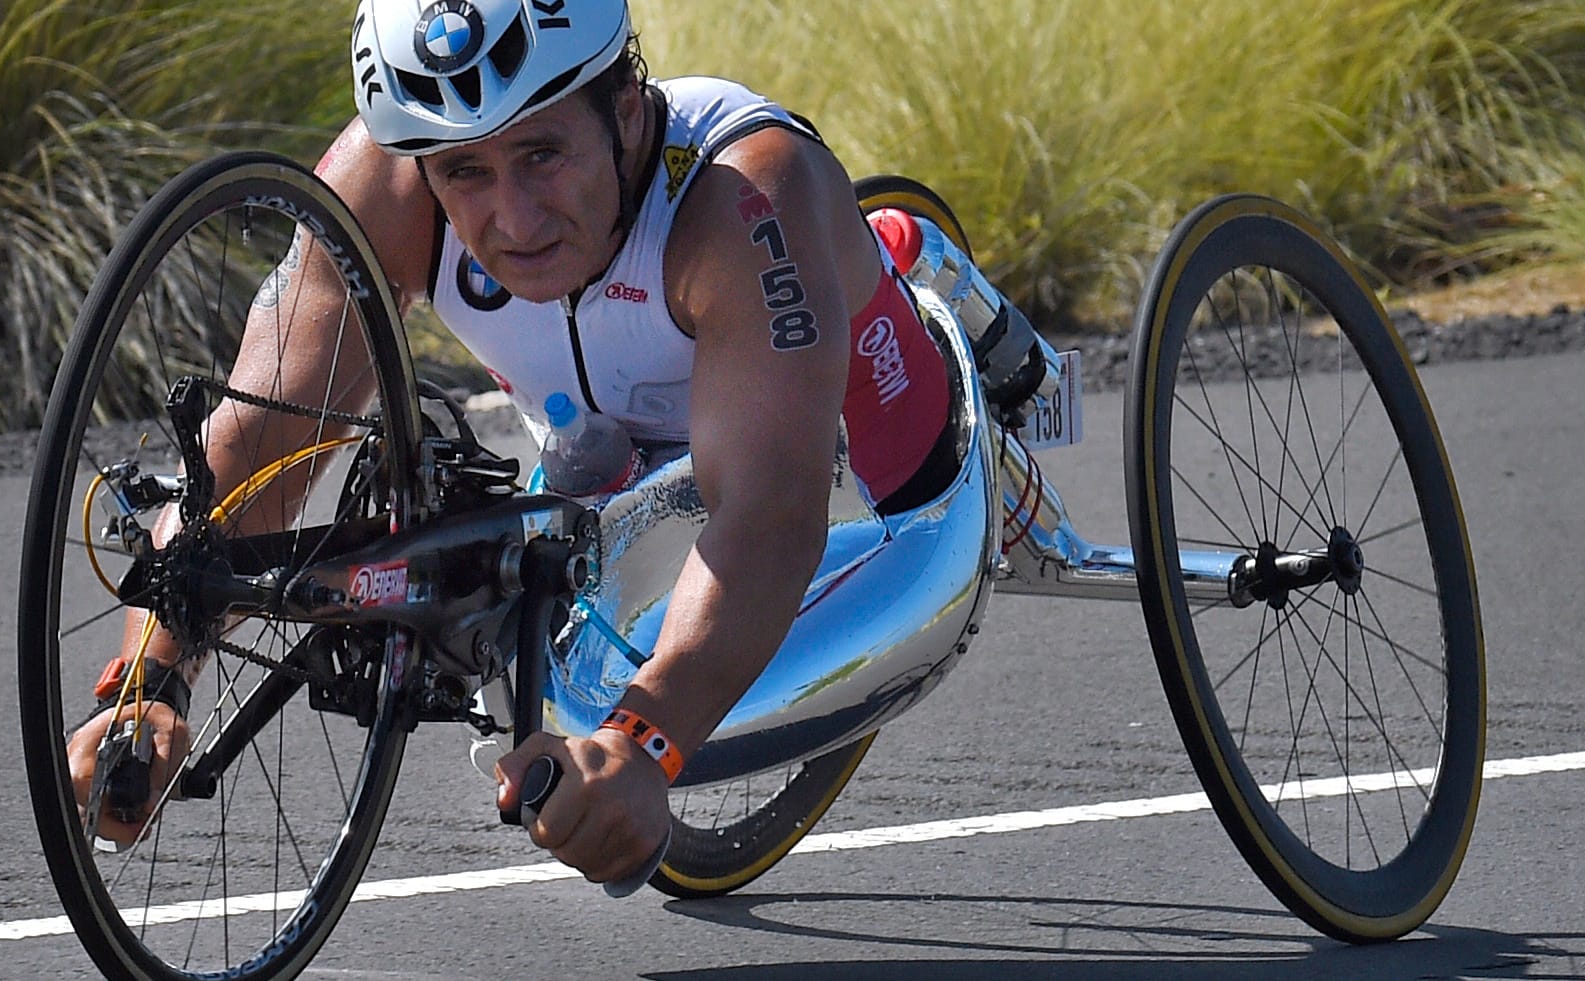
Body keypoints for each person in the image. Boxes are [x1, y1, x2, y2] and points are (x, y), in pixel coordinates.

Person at [68, 0, 963, 889]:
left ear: (624, 110)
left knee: (822, 507)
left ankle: (921, 278)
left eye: (542, 154)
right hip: (608, 463)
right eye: (467, 173)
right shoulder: (389, 182)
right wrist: (152, 680)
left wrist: (645, 741)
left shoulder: (738, 199)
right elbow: (256, 445)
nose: (514, 218)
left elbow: (769, 513)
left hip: (860, 458)